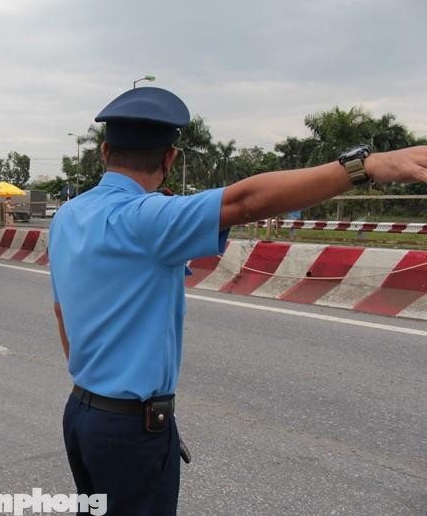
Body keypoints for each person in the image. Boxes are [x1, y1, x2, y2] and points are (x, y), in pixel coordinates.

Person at [48, 86, 427, 515]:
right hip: (129, 428)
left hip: (82, 414)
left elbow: (63, 315)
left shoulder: (68, 216)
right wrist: (368, 166)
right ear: (170, 160)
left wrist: (96, 388)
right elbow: (247, 201)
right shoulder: (146, 218)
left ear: (104, 151)